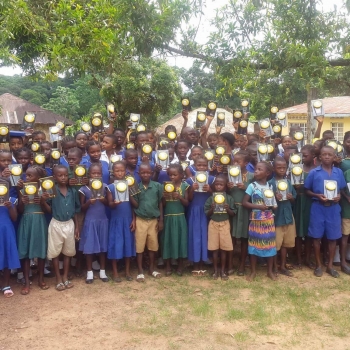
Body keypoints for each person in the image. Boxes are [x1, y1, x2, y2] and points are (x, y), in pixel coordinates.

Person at [304, 146, 346, 278]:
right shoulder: (314, 172)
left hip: (333, 208)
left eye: (330, 154)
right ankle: (318, 265)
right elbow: (306, 190)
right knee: (316, 237)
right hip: (318, 208)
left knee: (333, 238)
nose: (327, 156)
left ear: (334, 157)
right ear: (319, 157)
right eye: (324, 154)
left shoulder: (338, 172)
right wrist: (317, 196)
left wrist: (338, 196)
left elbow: (341, 189)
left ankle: (330, 266)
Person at [41, 165, 81, 291]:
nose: (63, 177)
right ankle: (58, 278)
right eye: (60, 175)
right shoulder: (52, 190)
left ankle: (65, 276)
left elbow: (75, 210)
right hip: (56, 224)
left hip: (69, 224)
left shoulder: (73, 191)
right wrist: (42, 201)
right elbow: (49, 210)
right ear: (54, 177)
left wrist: (77, 227)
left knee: (68, 252)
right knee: (55, 253)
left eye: (65, 175)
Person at [243, 161, 277, 281]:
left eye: (259, 169)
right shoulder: (252, 186)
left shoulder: (270, 186)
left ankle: (270, 271)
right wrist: (258, 207)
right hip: (256, 220)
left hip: (268, 220)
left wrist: (275, 203)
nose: (256, 171)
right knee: (254, 245)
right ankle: (253, 272)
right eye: (255, 169)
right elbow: (245, 202)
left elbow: (273, 204)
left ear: (267, 173)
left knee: (270, 244)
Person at [17, 166, 49, 295]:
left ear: (39, 178)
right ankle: (26, 281)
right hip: (26, 221)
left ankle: (41, 279)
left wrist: (42, 201)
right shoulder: (22, 190)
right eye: (26, 175)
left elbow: (48, 211)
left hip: (39, 220)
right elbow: (19, 211)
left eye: (30, 176)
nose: (27, 178)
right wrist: (22, 202)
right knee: (24, 252)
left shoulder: (44, 191)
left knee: (41, 251)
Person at [130, 163, 163, 282]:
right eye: (143, 172)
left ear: (152, 173)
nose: (145, 174)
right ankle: (140, 271)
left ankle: (151, 269)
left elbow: (160, 203)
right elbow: (135, 206)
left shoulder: (158, 186)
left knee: (153, 246)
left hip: (153, 220)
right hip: (140, 220)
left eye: (148, 172)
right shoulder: (136, 188)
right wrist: (130, 196)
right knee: (139, 247)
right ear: (139, 174)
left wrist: (161, 220)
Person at [79, 163, 109, 284]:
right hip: (90, 221)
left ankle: (102, 271)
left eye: (98, 173)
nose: (96, 175)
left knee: (102, 247)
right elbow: (82, 208)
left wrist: (103, 200)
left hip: (102, 220)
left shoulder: (105, 187)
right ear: (89, 174)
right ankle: (89, 273)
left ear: (101, 175)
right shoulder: (83, 189)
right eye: (93, 173)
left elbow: (109, 204)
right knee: (89, 247)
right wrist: (88, 203)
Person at [107, 161, 136, 282]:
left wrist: (134, 219)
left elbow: (134, 205)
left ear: (126, 172)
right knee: (115, 244)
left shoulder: (130, 186)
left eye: (122, 171)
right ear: (113, 172)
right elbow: (109, 204)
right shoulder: (110, 187)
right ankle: (115, 273)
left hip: (128, 219)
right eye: (117, 171)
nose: (120, 173)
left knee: (128, 245)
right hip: (116, 220)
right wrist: (114, 203)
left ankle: (128, 272)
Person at [186, 156, 215, 275]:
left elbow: (216, 198)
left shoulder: (212, 179)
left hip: (207, 211)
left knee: (205, 236)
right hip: (194, 211)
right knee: (195, 236)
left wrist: (210, 191)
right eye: (199, 165)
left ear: (208, 167)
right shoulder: (190, 181)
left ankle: (203, 261)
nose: (202, 168)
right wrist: (192, 190)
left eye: (204, 165)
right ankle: (195, 263)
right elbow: (189, 199)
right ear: (194, 166)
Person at [227, 150, 254, 276]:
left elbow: (256, 191)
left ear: (246, 163)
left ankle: (242, 264)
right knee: (231, 237)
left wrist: (246, 186)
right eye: (234, 161)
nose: (235, 163)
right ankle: (230, 264)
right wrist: (228, 186)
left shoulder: (251, 176)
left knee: (244, 238)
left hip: (245, 210)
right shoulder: (229, 174)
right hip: (232, 209)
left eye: (238, 161)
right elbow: (225, 190)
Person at [204, 175, 236, 280]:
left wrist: (228, 209)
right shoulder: (211, 198)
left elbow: (233, 213)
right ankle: (215, 270)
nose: (218, 187)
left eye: (221, 185)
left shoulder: (229, 198)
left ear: (225, 186)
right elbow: (207, 214)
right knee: (214, 249)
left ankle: (222, 271)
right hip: (213, 223)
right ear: (214, 186)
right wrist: (212, 209)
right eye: (216, 184)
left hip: (225, 223)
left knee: (223, 249)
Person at [269, 157, 296, 276]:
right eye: (279, 168)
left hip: (288, 217)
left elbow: (294, 199)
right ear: (273, 169)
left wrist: (291, 197)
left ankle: (283, 266)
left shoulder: (288, 182)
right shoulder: (270, 183)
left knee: (286, 244)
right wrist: (274, 197)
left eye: (284, 168)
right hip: (277, 218)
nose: (281, 170)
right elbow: (267, 203)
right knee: (275, 244)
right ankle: (274, 266)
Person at [162, 164, 189, 276]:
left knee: (180, 240)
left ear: (181, 175)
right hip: (168, 217)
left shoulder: (185, 186)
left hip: (180, 217)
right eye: (170, 175)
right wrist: (165, 197)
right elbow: (162, 205)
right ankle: (168, 266)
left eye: (175, 174)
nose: (172, 177)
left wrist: (180, 197)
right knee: (167, 240)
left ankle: (180, 265)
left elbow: (187, 203)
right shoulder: (165, 186)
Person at [293, 145, 316, 269]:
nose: (302, 158)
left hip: (311, 202)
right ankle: (298, 259)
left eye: (305, 156)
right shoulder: (296, 169)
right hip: (298, 200)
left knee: (308, 231)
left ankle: (307, 258)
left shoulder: (316, 169)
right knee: (297, 231)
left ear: (313, 156)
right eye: (301, 155)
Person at [0, 179, 20, 298]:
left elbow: (14, 218)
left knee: (6, 255)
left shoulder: (11, 200)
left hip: (6, 230)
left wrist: (9, 207)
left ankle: (6, 284)